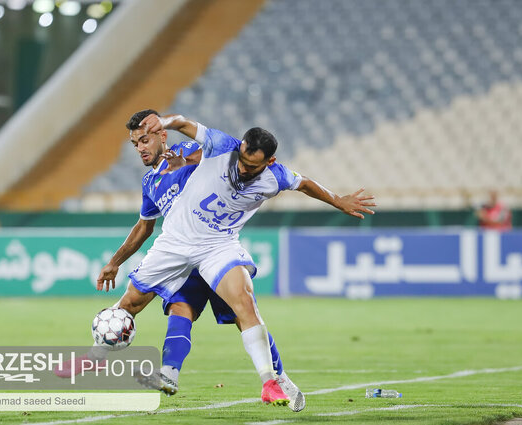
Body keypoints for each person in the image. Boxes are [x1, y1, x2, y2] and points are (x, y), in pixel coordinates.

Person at [59, 109, 304, 411]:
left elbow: (217, 157)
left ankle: (278, 378)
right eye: (135, 144)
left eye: (145, 140)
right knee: (159, 303)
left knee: (244, 313)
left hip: (215, 245)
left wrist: (185, 157)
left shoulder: (189, 151)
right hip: (180, 252)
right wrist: (115, 262)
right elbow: (144, 228)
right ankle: (114, 361)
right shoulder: (151, 183)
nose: (141, 148)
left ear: (161, 135)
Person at [128, 111, 374, 406]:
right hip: (183, 243)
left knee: (244, 307)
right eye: (242, 160)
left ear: (268, 162)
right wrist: (163, 122)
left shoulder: (276, 176)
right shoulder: (222, 146)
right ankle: (169, 372)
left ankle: (275, 380)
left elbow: (305, 183)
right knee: (179, 306)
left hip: (220, 245)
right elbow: (183, 123)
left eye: (251, 166)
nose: (242, 169)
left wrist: (338, 200)